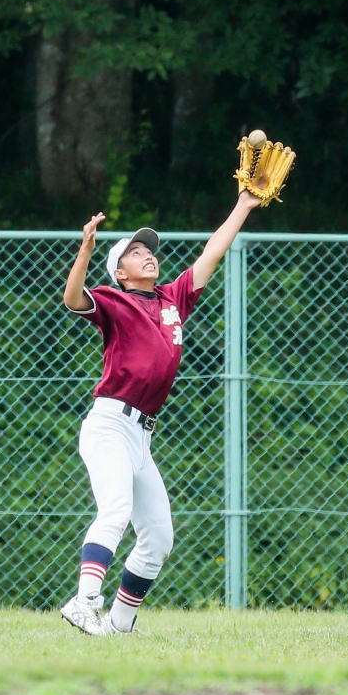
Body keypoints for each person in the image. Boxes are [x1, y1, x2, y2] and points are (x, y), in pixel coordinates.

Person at [60, 190, 261, 635]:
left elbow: (212, 252)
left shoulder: (173, 299)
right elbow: (73, 299)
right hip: (110, 425)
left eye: (148, 250)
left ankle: (120, 624)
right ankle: (84, 601)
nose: (147, 255)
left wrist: (243, 206)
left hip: (141, 435)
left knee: (158, 536)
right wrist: (85, 250)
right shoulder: (113, 301)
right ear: (119, 272)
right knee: (115, 510)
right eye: (134, 253)